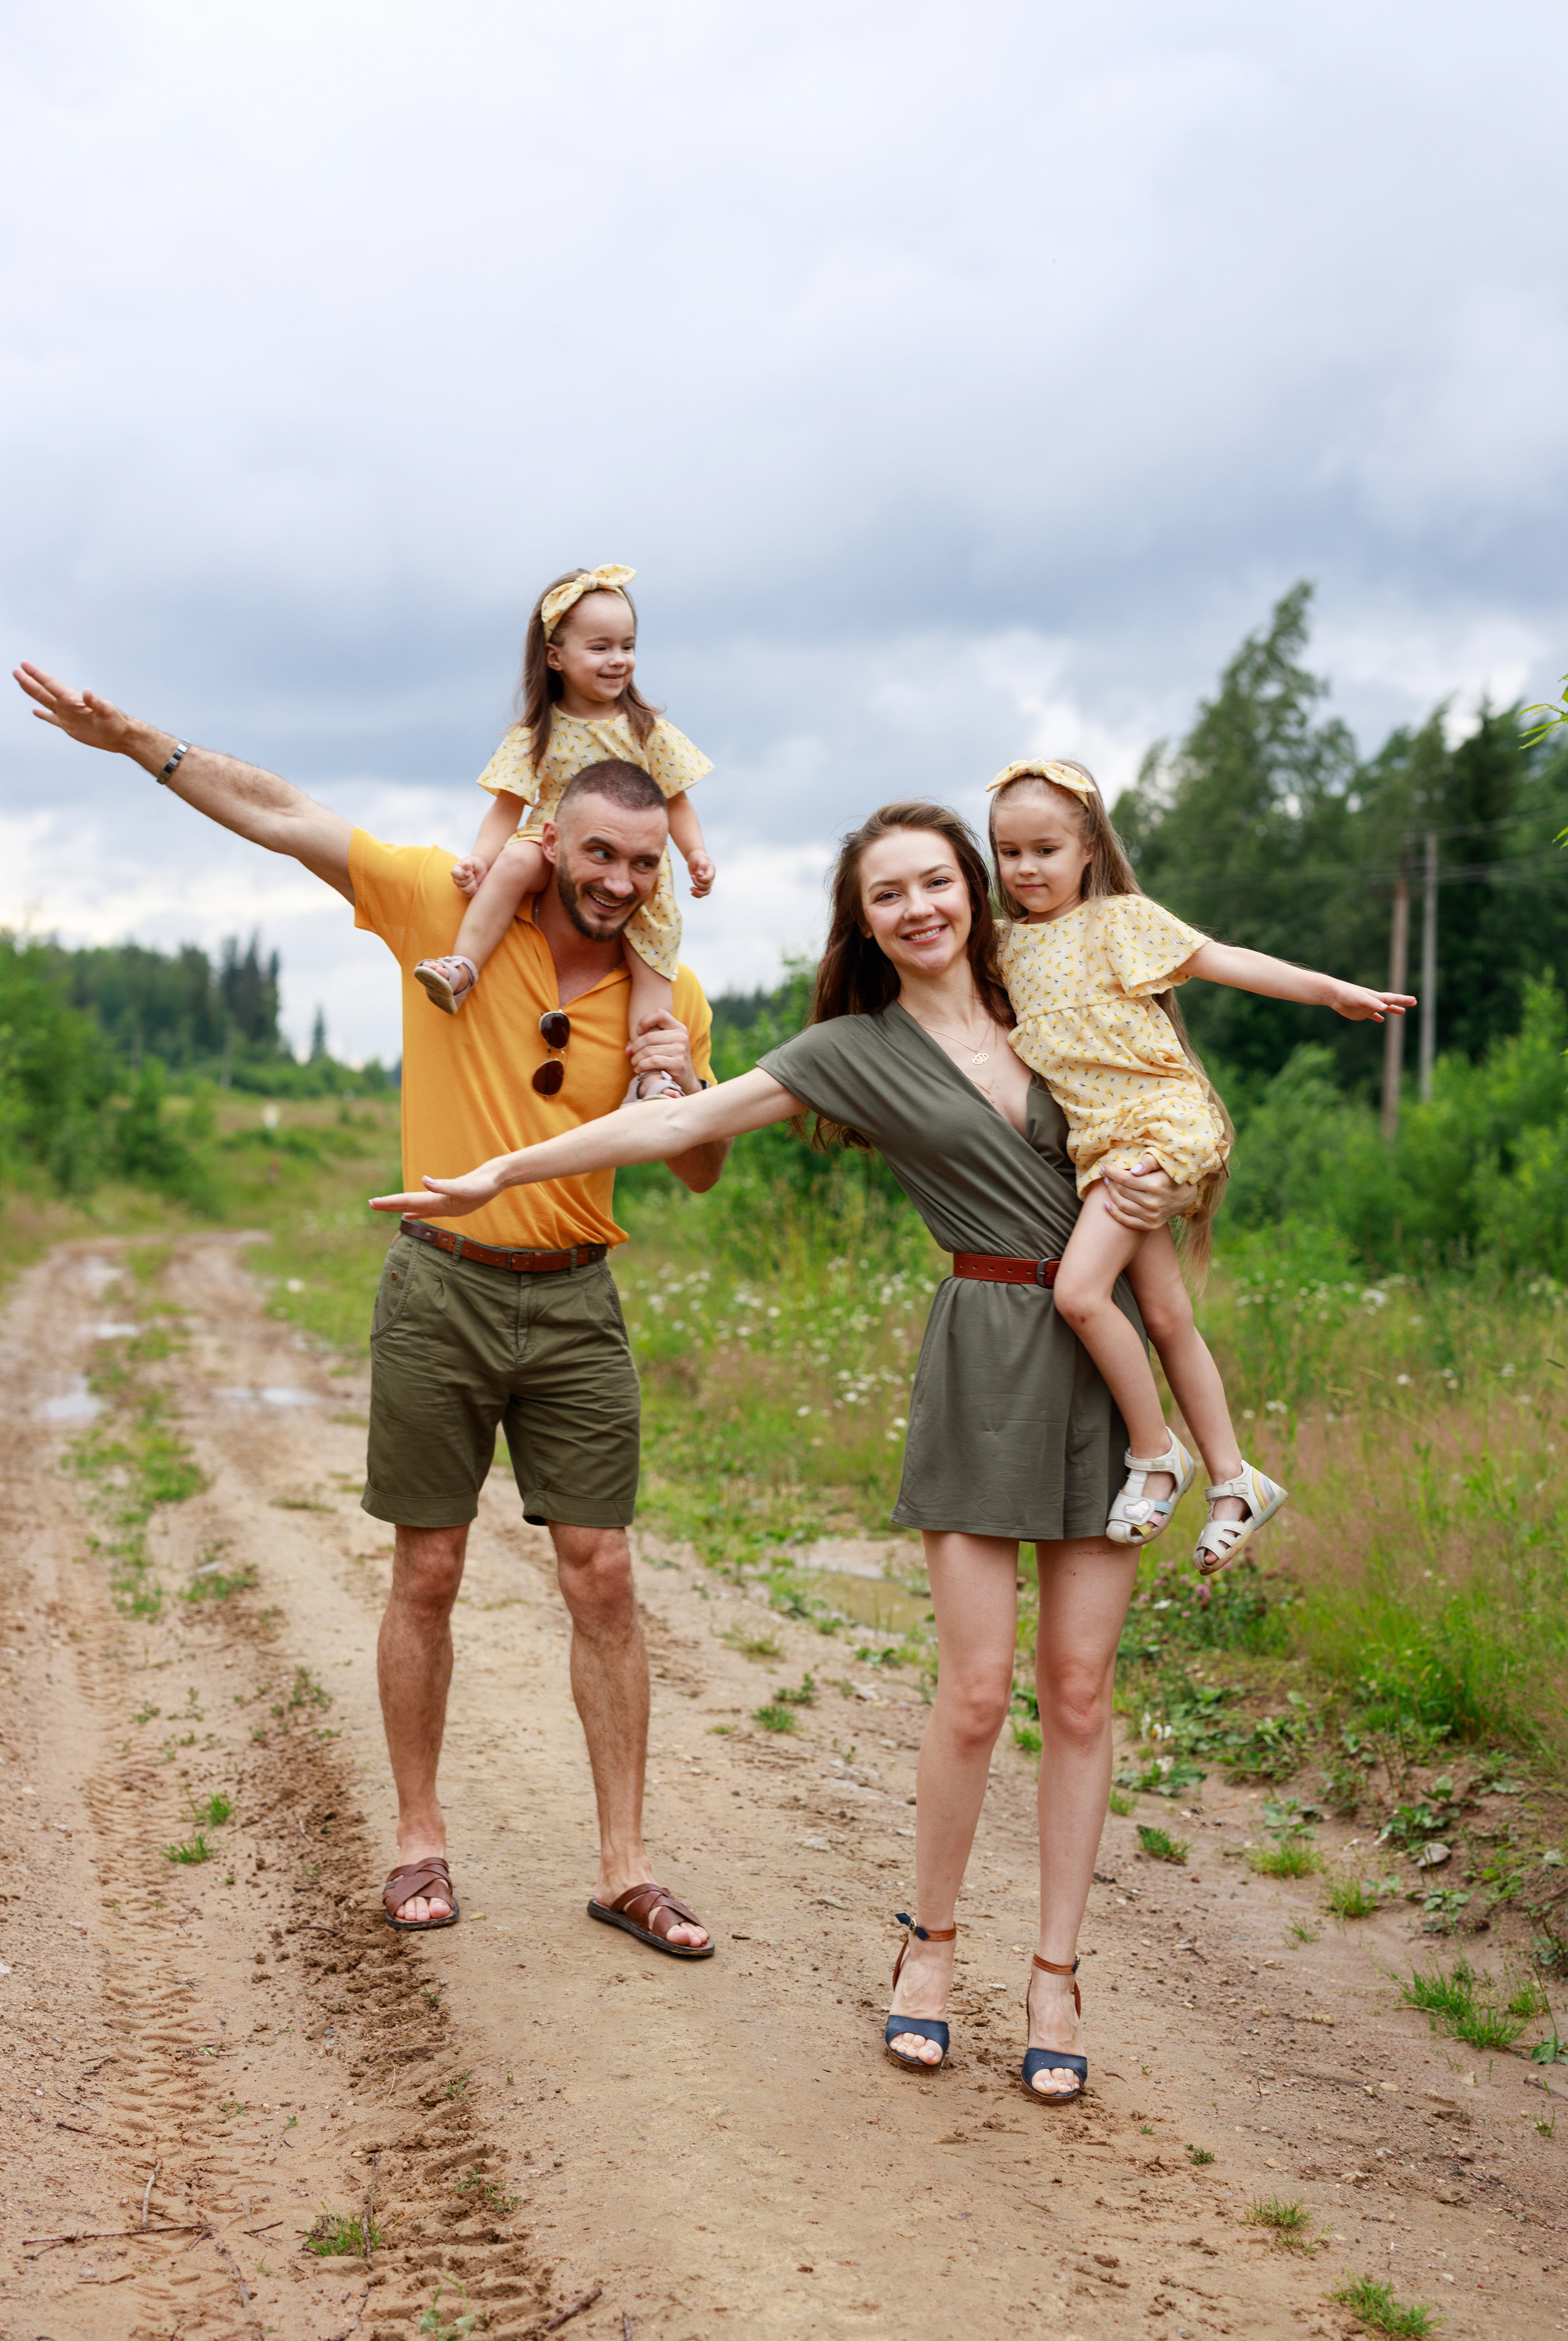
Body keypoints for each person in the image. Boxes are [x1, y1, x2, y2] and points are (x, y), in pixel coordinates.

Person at [368, 798, 1200, 2102]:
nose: (920, 908)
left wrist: (1171, 1186)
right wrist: (500, 1174)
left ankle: (1056, 1974)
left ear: (973, 890)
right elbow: (670, 1127)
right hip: (983, 1358)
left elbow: (1173, 1105)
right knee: (976, 1692)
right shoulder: (854, 1049)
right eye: (889, 895)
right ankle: (925, 1953)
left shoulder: (1060, 989)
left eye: (938, 882)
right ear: (862, 923)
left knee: (1081, 1692)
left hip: (1103, 1364)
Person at [10, 657, 725, 1957]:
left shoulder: (668, 999)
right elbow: (284, 811)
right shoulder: (438, 912)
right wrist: (139, 747)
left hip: (575, 1301)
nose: (621, 881)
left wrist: (676, 1097)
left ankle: (625, 1866)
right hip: (440, 1289)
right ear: (551, 839)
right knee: (431, 1567)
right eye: (601, 854)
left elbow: (699, 1165)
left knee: (603, 1575)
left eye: (643, 865)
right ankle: (417, 1842)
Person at [987, 759, 1414, 1568]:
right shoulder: (1003, 948)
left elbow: (1227, 960)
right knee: (1167, 1317)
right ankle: (1234, 1479)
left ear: (1087, 849)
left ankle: (1156, 1455)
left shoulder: (1120, 921)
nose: (1026, 868)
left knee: (1079, 1294)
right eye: (1009, 853)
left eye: (1045, 849)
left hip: (1161, 1121)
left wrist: (1330, 992)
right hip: (1100, 1146)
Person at [412, 564, 715, 1105]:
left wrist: (695, 853)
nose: (618, 659)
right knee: (512, 867)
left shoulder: (647, 729)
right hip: (548, 840)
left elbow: (677, 801)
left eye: (627, 645)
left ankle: (651, 1076)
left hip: (630, 860)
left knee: (652, 965)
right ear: (556, 657)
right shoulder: (539, 732)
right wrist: (480, 859)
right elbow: (506, 810)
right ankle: (463, 968)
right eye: (600, 647)